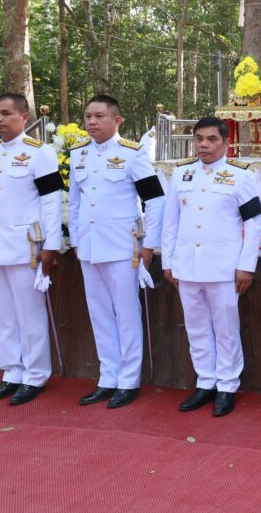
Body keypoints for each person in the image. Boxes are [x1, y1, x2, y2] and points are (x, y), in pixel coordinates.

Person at [67, 95, 165, 409]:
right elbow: (75, 201)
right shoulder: (79, 153)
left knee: (126, 314)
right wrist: (76, 240)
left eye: (99, 116)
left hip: (123, 247)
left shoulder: (132, 154)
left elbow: (155, 200)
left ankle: (128, 380)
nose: (92, 122)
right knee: (99, 314)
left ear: (117, 120)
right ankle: (108, 377)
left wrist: (149, 244)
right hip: (89, 246)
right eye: (88, 116)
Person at [161, 117, 261, 417]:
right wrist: (169, 262)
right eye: (199, 139)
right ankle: (205, 381)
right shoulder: (181, 174)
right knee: (196, 328)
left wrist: (246, 266)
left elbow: (254, 223)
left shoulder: (241, 176)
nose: (204, 145)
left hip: (223, 268)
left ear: (226, 143)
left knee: (226, 329)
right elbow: (170, 222)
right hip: (187, 266)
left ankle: (227, 385)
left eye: (211, 139)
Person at [0, 93, 63, 406]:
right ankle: (12, 371)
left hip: (27, 247)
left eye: (6, 113)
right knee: (3, 314)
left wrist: (51, 245)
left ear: (24, 117)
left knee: (29, 314)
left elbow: (51, 202)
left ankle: (35, 375)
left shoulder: (40, 153)